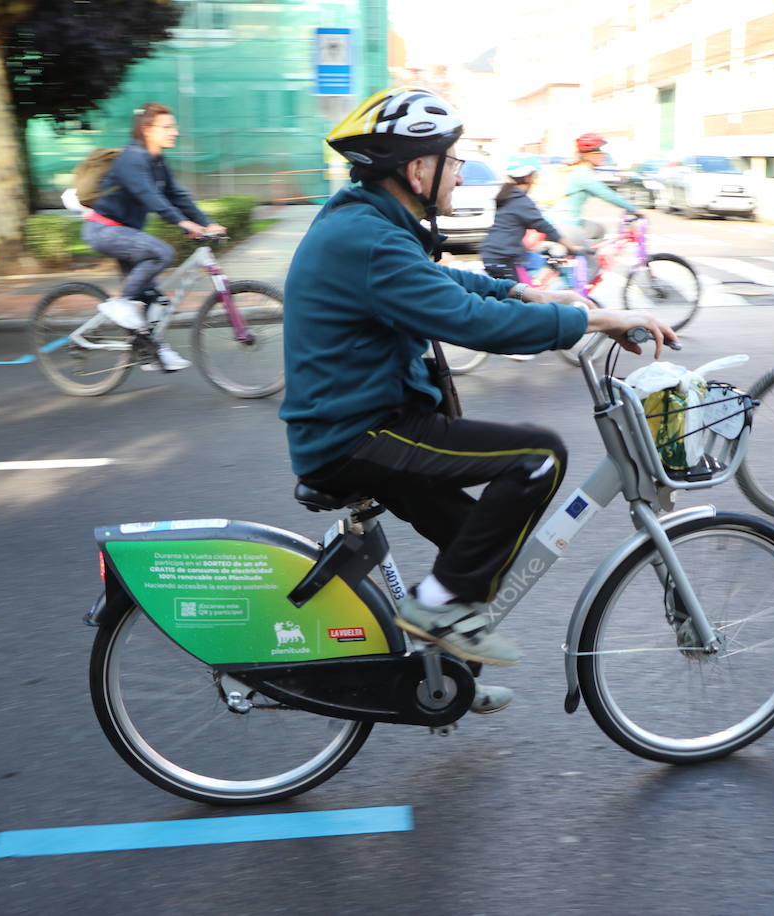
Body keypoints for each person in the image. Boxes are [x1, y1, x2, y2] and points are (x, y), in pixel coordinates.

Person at [279, 87, 675, 714]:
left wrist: (533, 297)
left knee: (476, 541)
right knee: (538, 457)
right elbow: (474, 324)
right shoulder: (374, 241)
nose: (460, 170)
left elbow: (448, 283)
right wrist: (593, 323)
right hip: (359, 434)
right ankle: (435, 614)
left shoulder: (369, 225)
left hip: (360, 424)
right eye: (453, 159)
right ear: (417, 169)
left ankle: (438, 677)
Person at [82, 102, 226, 370]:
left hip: (125, 233)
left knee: (153, 298)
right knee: (162, 253)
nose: (175, 131)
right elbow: (150, 196)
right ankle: (119, 303)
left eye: (174, 126)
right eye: (167, 127)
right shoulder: (131, 158)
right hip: (103, 230)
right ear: (147, 129)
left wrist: (207, 223)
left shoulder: (157, 161)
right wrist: (183, 223)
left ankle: (150, 352)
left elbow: (177, 196)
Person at [547, 133, 641, 252]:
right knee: (590, 263)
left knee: (598, 230)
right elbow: (607, 195)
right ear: (586, 156)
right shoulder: (582, 174)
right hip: (564, 224)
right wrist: (634, 210)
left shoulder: (580, 171)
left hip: (560, 222)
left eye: (601, 152)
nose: (602, 156)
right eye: (596, 153)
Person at [478, 155, 564, 281]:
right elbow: (543, 225)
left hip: (493, 254)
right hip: (502, 258)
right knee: (518, 294)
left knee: (517, 288)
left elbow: (510, 227)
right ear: (528, 177)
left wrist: (523, 247)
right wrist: (571, 246)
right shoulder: (521, 200)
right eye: (535, 176)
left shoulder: (508, 195)